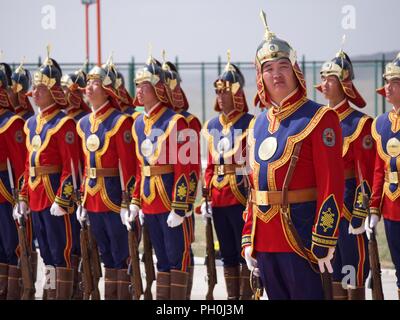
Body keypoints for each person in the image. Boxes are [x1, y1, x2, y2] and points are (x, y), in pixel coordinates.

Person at [241, 11, 344, 300]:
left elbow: (331, 184)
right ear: (260, 77)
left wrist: (324, 238)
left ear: (295, 70)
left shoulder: (320, 117)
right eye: (268, 68)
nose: (276, 74)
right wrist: (249, 237)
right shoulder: (256, 124)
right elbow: (253, 187)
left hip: (302, 238)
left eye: (283, 66)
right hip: (265, 243)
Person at [16, 48, 81, 300]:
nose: (36, 93)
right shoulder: (31, 123)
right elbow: (25, 164)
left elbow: (71, 167)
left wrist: (63, 200)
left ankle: (63, 295)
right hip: (34, 194)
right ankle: (51, 292)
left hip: (54, 193)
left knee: (60, 249)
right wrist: (22, 197)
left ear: (53, 91)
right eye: (35, 88)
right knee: (45, 251)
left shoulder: (64, 123)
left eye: (41, 89)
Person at [131, 52, 191, 300]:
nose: (139, 90)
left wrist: (180, 207)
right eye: (137, 85)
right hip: (148, 200)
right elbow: (138, 167)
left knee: (177, 259)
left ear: (157, 88)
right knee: (161, 259)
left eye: (143, 85)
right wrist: (135, 201)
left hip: (169, 201)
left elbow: (185, 169)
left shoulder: (176, 121)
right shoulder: (136, 123)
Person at [76, 57, 137, 300]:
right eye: (88, 83)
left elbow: (130, 166)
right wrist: (81, 199)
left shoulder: (120, 121)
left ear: (107, 89)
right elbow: (83, 166)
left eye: (95, 83)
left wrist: (128, 202)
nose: (88, 88)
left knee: (121, 253)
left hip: (113, 197)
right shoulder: (83, 123)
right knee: (104, 255)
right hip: (92, 198)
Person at [201, 50, 253, 300]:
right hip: (218, 197)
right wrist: (206, 198)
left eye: (225, 91)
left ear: (237, 93)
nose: (220, 97)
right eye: (218, 92)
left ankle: (245, 298)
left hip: (241, 196)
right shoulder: (212, 125)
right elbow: (210, 164)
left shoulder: (250, 122)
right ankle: (232, 299)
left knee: (245, 251)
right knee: (227, 254)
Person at [161, 55, 201, 299]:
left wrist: (183, 205)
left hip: (177, 202)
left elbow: (191, 166)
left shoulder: (187, 121)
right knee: (163, 259)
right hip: (154, 201)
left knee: (180, 255)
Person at [370, 52, 400, 300]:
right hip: (391, 210)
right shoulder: (381, 123)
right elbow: (379, 170)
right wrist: (374, 209)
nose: (386, 88)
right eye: (386, 81)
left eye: (394, 83)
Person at [0, 61, 27, 299]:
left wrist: (21, 197)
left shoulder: (11, 122)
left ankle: (15, 291)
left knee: (12, 245)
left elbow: (19, 165)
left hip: (6, 191)